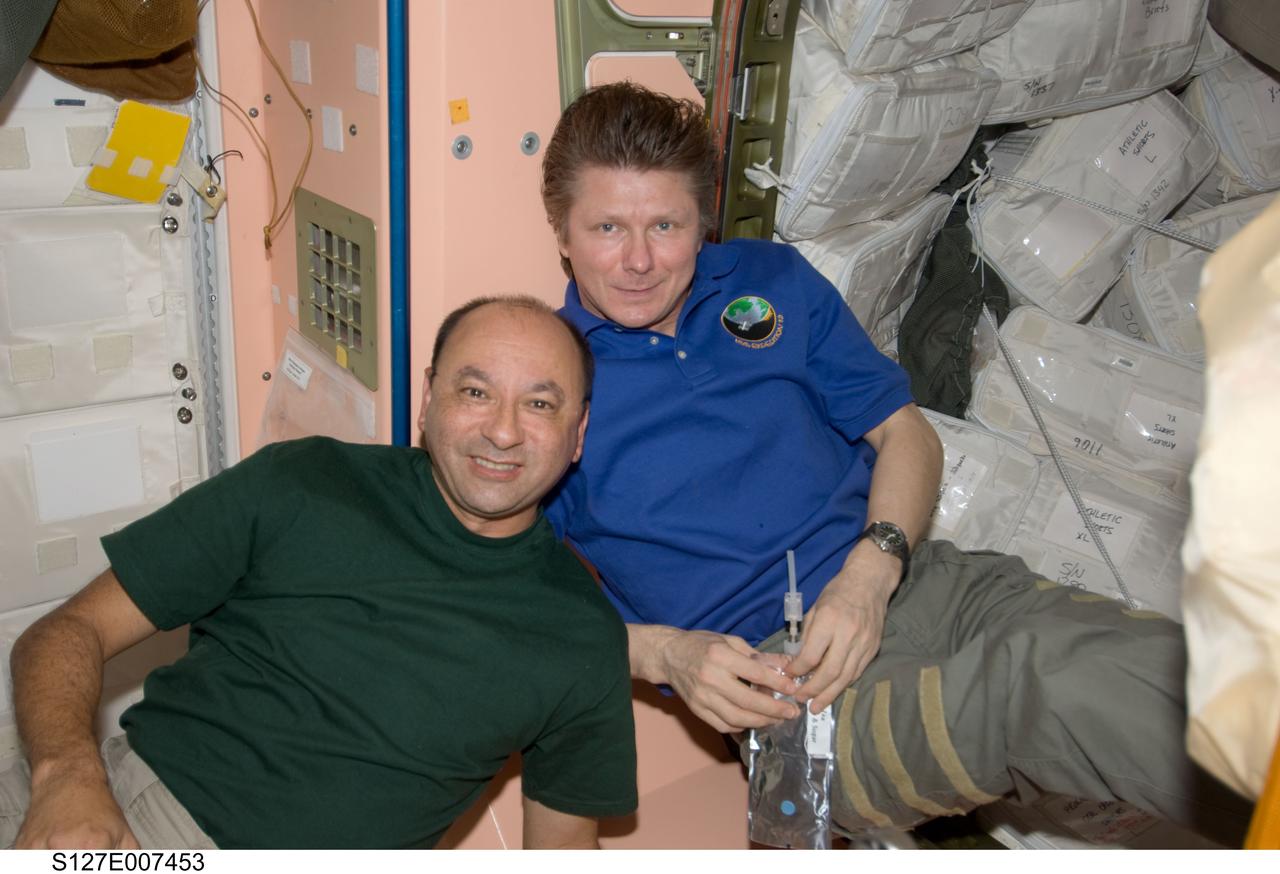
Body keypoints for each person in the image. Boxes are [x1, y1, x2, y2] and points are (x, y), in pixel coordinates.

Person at [538, 81, 1250, 842]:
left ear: (701, 222)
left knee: (1173, 662)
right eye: (608, 226)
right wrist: (665, 654)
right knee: (1038, 683)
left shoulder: (769, 281)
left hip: (914, 582)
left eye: (666, 225)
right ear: (562, 233)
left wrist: (870, 577)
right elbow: (506, 617)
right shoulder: (543, 389)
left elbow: (906, 434)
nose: (640, 259)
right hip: (791, 694)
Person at [0, 296, 637, 849]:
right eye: (475, 392)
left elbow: (563, 848)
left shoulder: (580, 635)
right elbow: (65, 632)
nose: (502, 431)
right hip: (128, 813)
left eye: (540, 404)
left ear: (577, 433)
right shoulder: (303, 484)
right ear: (427, 399)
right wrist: (67, 779)